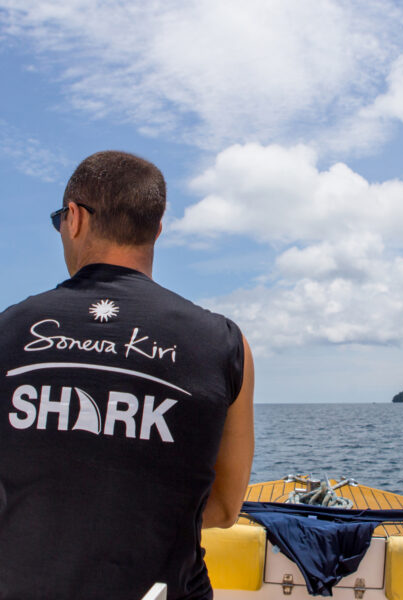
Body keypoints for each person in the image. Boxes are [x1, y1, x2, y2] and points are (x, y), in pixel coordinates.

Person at [0, 151, 254, 600]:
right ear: (156, 229)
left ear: (74, 218)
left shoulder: (8, 330)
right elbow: (224, 507)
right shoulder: (225, 343)